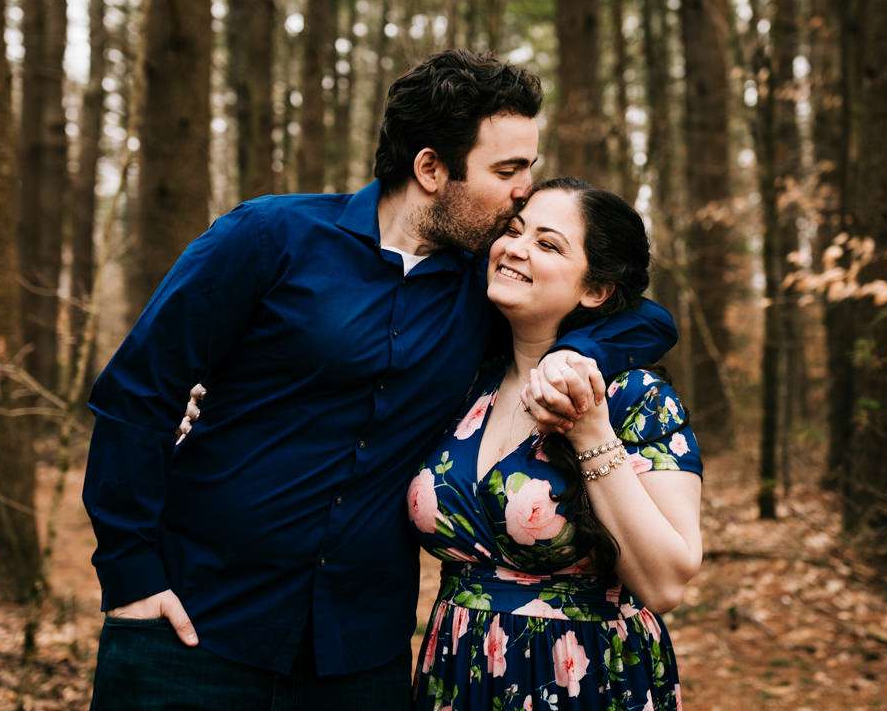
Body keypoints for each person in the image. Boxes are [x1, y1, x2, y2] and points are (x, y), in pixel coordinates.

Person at [82, 50, 678, 710]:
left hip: (359, 659)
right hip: (193, 633)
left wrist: (578, 352)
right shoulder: (268, 238)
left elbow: (646, 319)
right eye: (507, 170)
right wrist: (129, 576)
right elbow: (136, 396)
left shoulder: (480, 290)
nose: (523, 191)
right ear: (430, 168)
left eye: (527, 169)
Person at [407, 178, 703, 711]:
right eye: (513, 230)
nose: (516, 247)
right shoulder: (465, 381)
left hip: (586, 677)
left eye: (548, 243)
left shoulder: (636, 397)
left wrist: (590, 430)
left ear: (595, 290)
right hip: (457, 674)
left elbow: (663, 585)